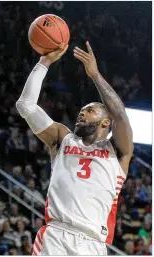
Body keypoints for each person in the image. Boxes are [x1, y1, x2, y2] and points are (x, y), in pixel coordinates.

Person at [16, 42, 133, 255]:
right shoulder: (63, 138)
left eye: (90, 110)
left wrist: (95, 76)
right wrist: (44, 62)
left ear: (106, 122)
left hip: (93, 243)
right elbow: (25, 106)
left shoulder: (117, 152)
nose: (82, 113)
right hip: (56, 236)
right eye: (81, 110)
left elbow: (121, 115)